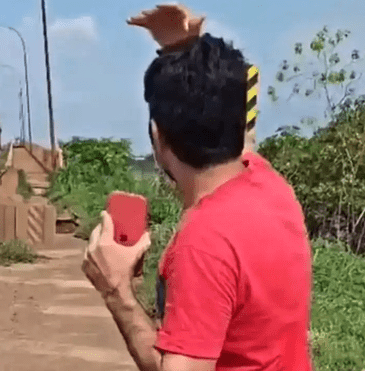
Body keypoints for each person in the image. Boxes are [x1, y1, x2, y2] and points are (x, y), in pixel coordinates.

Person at [81, 4, 313, 371]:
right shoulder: (268, 184)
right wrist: (181, 47)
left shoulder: (204, 245)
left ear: (158, 135)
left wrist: (117, 291)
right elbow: (239, 123)